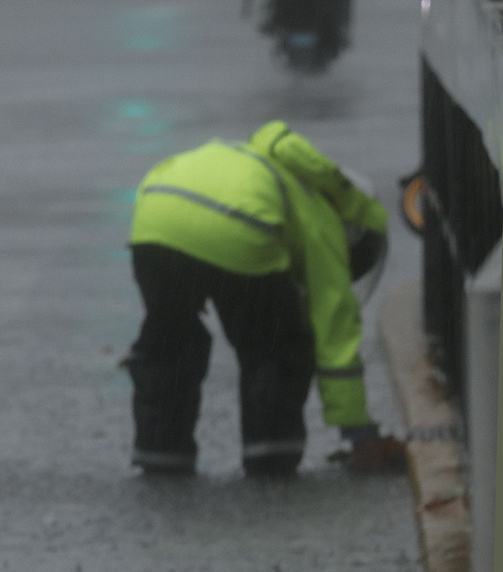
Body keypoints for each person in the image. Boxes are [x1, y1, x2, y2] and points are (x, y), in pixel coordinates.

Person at [122, 120, 406, 478]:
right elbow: (335, 335)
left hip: (154, 219)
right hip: (243, 229)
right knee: (274, 345)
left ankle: (160, 454)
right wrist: (357, 431)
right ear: (355, 234)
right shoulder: (323, 218)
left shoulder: (256, 163)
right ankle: (270, 458)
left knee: (171, 338)